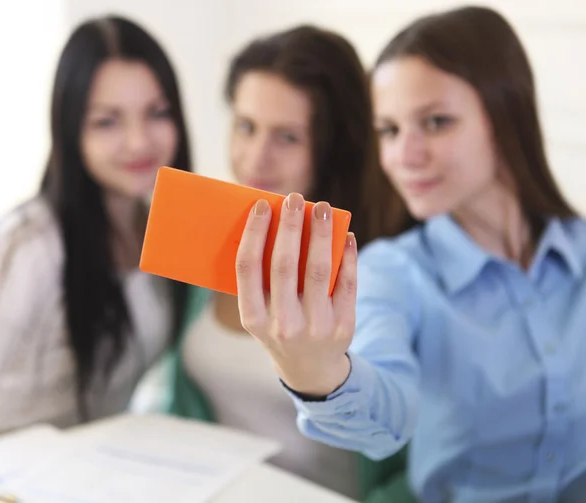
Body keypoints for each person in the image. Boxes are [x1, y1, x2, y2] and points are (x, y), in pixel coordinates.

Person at [234, 6, 586, 503]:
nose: (404, 155)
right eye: (390, 131)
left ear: (508, 117)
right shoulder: (393, 272)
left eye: (436, 122)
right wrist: (318, 374)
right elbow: (388, 418)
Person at [168, 25, 399, 501]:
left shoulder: (379, 271)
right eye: (246, 126)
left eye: (287, 137)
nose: (256, 158)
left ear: (332, 147)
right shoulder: (206, 238)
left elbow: (408, 453)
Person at [0, 15, 192, 437]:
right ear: (70, 130)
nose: (138, 142)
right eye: (107, 121)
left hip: (89, 472)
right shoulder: (31, 245)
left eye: (156, 113)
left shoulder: (167, 232)